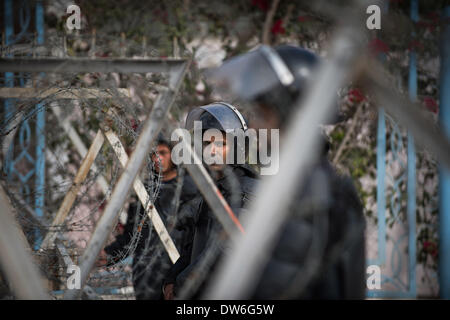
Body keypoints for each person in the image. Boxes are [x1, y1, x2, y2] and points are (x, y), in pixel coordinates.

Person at [207, 45, 366, 299]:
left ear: (287, 114)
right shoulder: (305, 180)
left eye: (262, 114)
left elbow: (273, 289)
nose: (255, 127)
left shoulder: (308, 191)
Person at [163, 102, 259, 299]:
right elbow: (194, 246)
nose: (212, 151)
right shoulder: (213, 189)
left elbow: (224, 251)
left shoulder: (248, 192)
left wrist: (182, 285)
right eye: (207, 143)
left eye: (221, 144)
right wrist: (172, 278)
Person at [100, 134, 198, 299]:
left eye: (163, 153)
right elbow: (132, 236)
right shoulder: (143, 191)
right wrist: (108, 254)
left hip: (176, 273)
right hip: (146, 275)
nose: (157, 158)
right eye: (154, 154)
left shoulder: (188, 190)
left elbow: (194, 237)